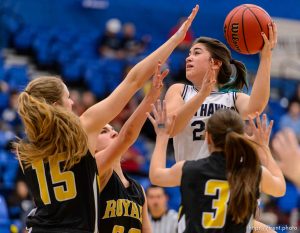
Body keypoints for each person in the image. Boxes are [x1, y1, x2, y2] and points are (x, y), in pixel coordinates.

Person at [13, 5, 199, 232]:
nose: (72, 103)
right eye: (67, 97)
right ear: (55, 106)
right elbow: (133, 80)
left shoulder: (24, 150)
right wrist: (175, 40)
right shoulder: (84, 128)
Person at [147, 103, 285, 233]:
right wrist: (264, 149)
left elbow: (155, 175)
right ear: (241, 137)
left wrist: (162, 136)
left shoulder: (189, 169)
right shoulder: (254, 172)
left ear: (208, 137)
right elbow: (280, 188)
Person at [165, 22, 277, 161]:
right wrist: (201, 95)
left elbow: (256, 107)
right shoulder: (179, 90)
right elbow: (170, 129)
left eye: (197, 53)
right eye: (189, 53)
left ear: (216, 63)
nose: (189, 57)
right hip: (191, 178)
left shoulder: (232, 98)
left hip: (225, 178)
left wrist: (266, 57)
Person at [95, 62, 168, 233]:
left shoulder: (138, 189)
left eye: (114, 129)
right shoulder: (96, 173)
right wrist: (150, 97)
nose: (114, 133)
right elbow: (127, 136)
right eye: (104, 131)